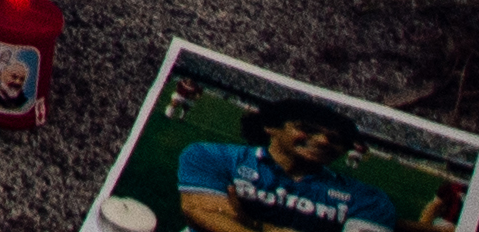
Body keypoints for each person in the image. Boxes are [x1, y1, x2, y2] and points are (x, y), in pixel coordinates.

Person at [175, 93, 415, 230]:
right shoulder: (211, 156)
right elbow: (202, 215)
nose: (323, 141)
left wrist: (252, 223)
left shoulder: (369, 199)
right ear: (271, 127)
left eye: (336, 138)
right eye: (307, 129)